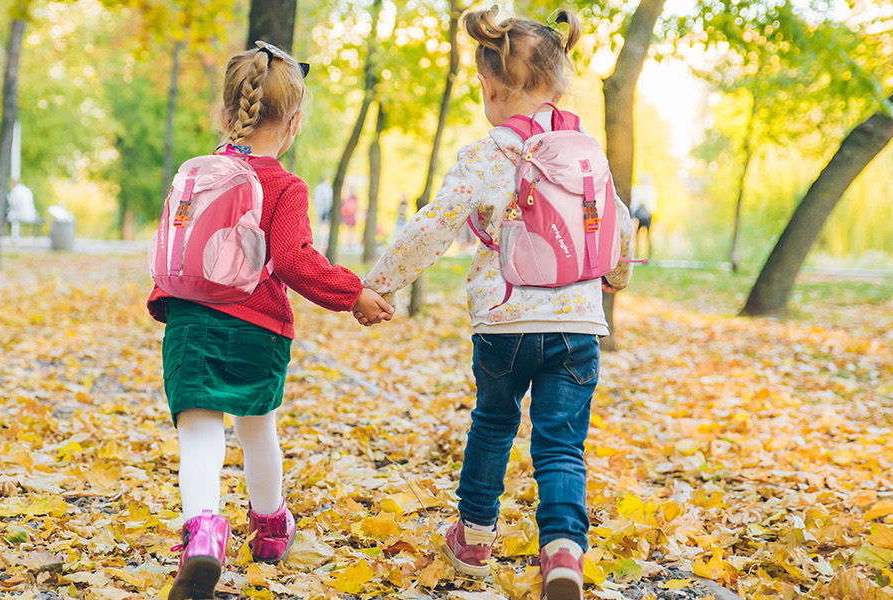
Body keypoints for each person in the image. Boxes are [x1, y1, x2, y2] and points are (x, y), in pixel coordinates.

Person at [357, 8, 634, 600]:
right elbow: (618, 220)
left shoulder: (487, 155)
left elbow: (434, 224)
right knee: (561, 443)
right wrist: (618, 273)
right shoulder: (587, 151)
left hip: (503, 325)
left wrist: (382, 284)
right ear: (558, 81)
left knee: (494, 424)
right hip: (577, 323)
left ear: (491, 88)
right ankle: (562, 549)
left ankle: (476, 538)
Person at [146, 41, 395, 600]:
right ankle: (270, 526)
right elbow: (293, 259)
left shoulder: (197, 174)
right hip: (257, 327)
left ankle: (204, 532)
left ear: (225, 110)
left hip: (189, 323)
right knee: (257, 428)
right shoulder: (284, 185)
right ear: (296, 121)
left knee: (200, 432)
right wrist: (353, 294)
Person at [631, 174, 656, 260]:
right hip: (648, 215)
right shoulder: (651, 190)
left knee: (640, 236)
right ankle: (646, 255)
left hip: (643, 215)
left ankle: (639, 255)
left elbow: (635, 203)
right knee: (646, 236)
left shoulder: (639, 190)